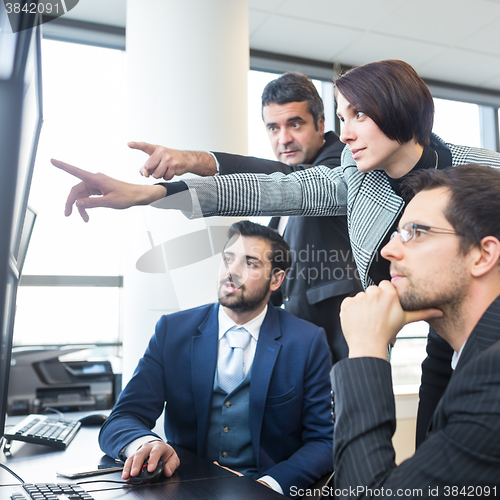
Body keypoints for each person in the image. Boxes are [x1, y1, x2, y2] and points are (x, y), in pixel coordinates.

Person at [52, 59, 500, 444]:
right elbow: (274, 188)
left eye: (358, 115)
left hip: (486, 321)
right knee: (431, 444)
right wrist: (152, 193)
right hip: (441, 333)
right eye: (343, 118)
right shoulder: (357, 177)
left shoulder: (482, 169)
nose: (345, 135)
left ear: (397, 108)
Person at [126, 72, 362, 363]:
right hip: (299, 347)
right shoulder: (283, 196)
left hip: (343, 344)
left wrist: (191, 164)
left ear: (321, 124)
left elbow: (293, 183)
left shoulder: (343, 162)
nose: (284, 139)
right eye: (273, 128)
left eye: (295, 124)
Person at [98, 220, 333, 497]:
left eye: (251, 263)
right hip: (183, 488)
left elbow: (324, 440)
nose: (232, 271)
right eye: (228, 259)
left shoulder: (307, 341)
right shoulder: (172, 331)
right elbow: (122, 418)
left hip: (265, 488)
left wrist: (269, 486)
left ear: (276, 279)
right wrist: (143, 443)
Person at [332, 164, 500, 494]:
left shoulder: (493, 375)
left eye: (417, 232)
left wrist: (367, 347)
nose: (388, 250)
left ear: (483, 255)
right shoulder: (464, 353)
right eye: (397, 233)